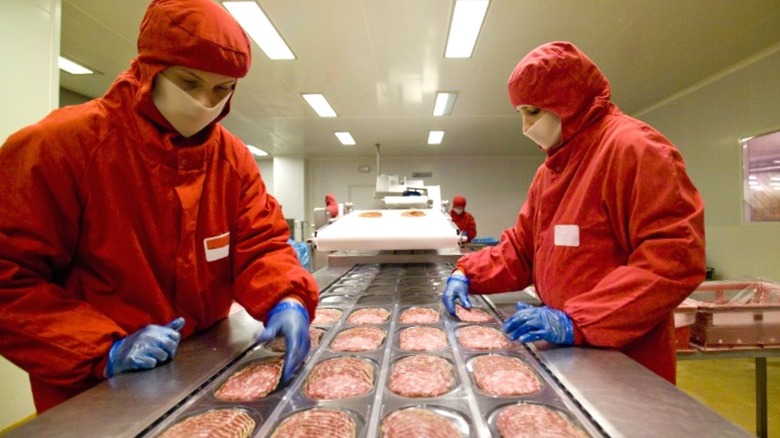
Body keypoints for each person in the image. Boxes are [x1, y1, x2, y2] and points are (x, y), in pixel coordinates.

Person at [0, 0, 319, 413]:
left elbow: (261, 245)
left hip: (200, 381)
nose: (205, 103)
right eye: (189, 83)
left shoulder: (231, 160)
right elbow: (9, 279)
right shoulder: (61, 148)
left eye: (221, 90)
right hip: (91, 393)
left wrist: (287, 296)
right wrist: (103, 349)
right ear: (152, 66)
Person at [442, 41, 705, 384]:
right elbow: (523, 250)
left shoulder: (633, 149)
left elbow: (674, 257)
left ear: (567, 100)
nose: (525, 126)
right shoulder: (551, 170)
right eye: (520, 113)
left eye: (533, 112)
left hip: (625, 355)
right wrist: (468, 273)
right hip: (566, 353)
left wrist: (579, 320)